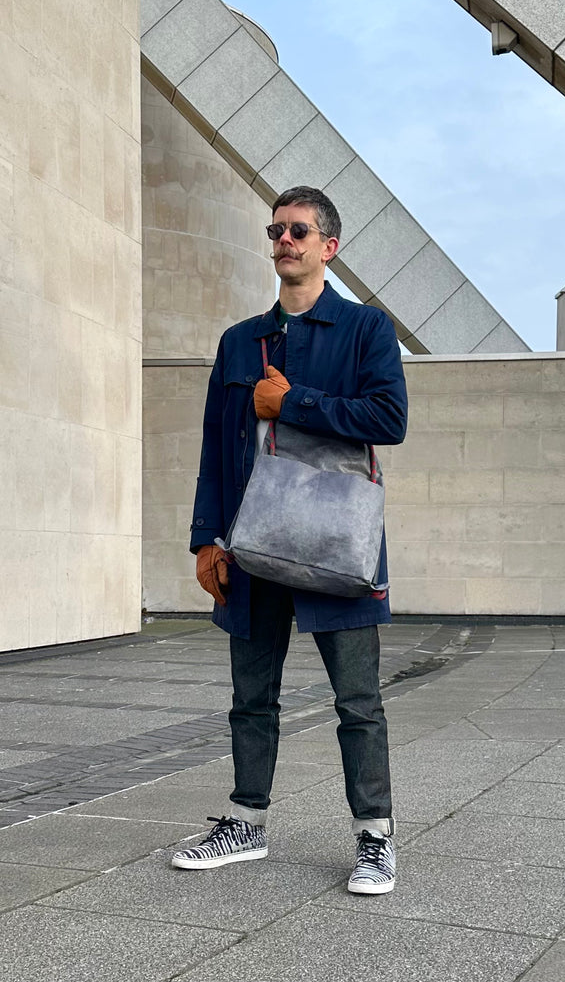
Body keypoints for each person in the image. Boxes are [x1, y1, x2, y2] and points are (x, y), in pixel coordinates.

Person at [171, 186, 408, 894]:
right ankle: (246, 821)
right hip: (250, 542)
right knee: (251, 694)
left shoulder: (366, 328)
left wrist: (293, 402)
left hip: (338, 539)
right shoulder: (240, 341)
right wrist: (204, 539)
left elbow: (388, 416)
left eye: (298, 230)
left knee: (358, 701)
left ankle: (375, 839)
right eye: (276, 230)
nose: (284, 240)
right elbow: (217, 444)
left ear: (328, 246)